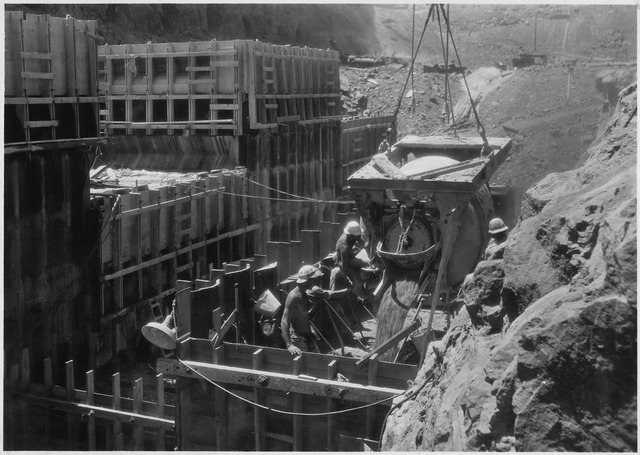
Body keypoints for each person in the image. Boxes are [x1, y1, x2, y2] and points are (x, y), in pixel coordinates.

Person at [281, 265, 324, 356]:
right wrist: (289, 345)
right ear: (308, 281)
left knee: (317, 361)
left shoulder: (304, 293)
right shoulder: (294, 297)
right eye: (314, 280)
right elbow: (284, 321)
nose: (315, 283)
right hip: (298, 339)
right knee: (304, 366)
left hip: (308, 336)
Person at [330, 221, 375, 300]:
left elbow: (360, 241)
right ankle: (361, 295)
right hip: (343, 263)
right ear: (351, 235)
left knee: (366, 263)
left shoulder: (349, 235)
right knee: (358, 280)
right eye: (357, 235)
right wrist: (356, 275)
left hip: (347, 257)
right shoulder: (344, 247)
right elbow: (345, 267)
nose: (359, 236)